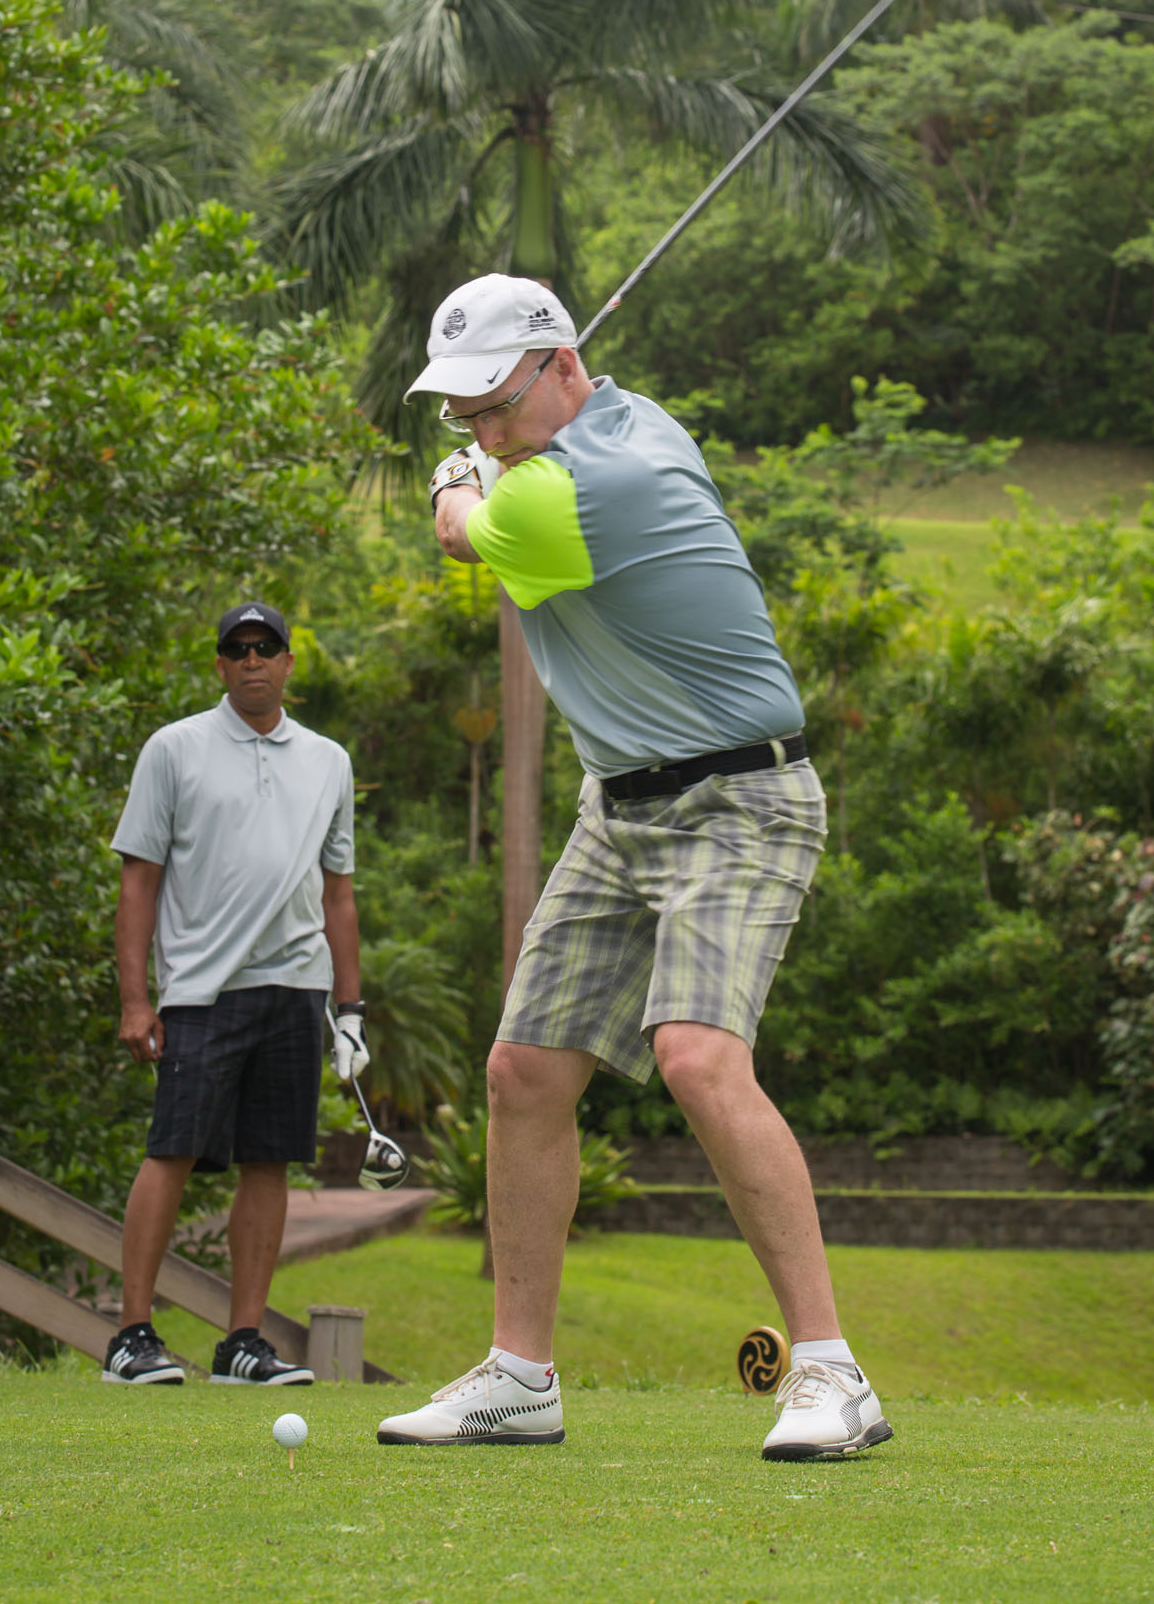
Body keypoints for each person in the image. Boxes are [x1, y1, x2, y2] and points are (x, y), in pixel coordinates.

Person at [378, 276, 890, 1462]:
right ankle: (519, 1377)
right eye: (460, 416)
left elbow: (463, 531)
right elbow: (509, 472)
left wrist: (454, 478)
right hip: (621, 804)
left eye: (494, 407)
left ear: (562, 364)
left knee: (698, 1060)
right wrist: (486, 448)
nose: (481, 432)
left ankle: (831, 1373)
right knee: (523, 1072)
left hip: (740, 800)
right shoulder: (624, 415)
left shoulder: (598, 483)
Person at [103, 601, 368, 1386]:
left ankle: (242, 1342)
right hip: (199, 991)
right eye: (237, 649)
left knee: (269, 1161)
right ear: (219, 666)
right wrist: (134, 999)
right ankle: (130, 1336)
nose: (253, 660)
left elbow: (339, 893)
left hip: (296, 989)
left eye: (267, 648)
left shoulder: (329, 761)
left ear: (289, 663)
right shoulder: (174, 748)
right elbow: (138, 879)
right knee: (172, 1152)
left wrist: (350, 1012)